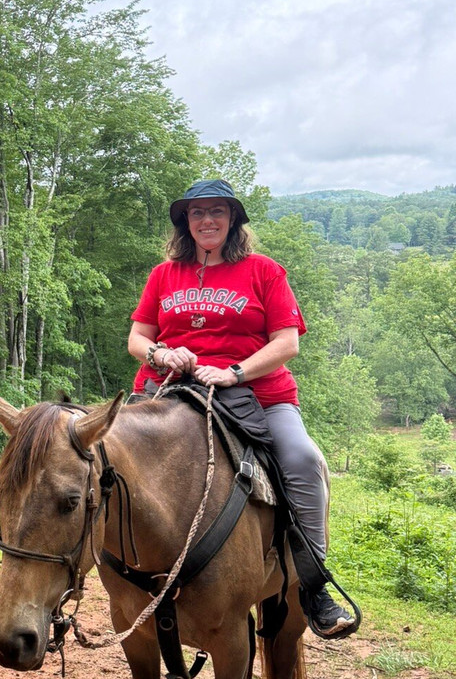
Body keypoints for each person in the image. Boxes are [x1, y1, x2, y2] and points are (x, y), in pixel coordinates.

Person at [126, 178, 357, 640]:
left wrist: (234, 372)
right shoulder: (164, 274)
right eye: (197, 212)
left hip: (257, 392)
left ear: (233, 219)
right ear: (186, 222)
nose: (206, 220)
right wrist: (161, 354)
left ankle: (313, 584)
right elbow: (137, 337)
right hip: (169, 389)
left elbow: (286, 343)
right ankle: (98, 574)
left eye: (217, 211)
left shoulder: (264, 271)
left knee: (303, 460)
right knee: (104, 463)